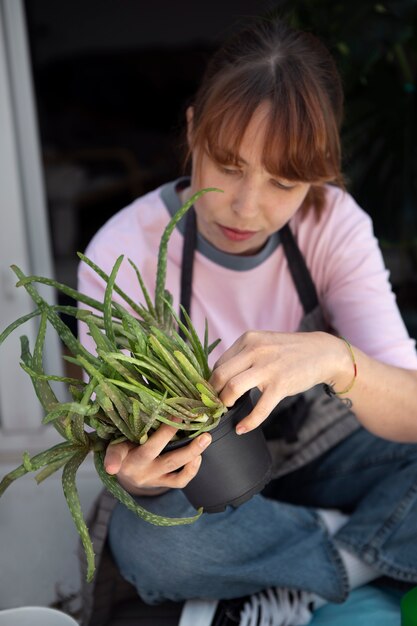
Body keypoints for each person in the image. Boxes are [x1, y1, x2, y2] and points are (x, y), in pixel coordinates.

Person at [77, 15, 417, 626]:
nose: (245, 207)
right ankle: (358, 549)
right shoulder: (121, 251)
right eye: (227, 166)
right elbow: (132, 464)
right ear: (192, 130)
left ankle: (290, 574)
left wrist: (341, 362)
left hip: (323, 455)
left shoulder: (332, 225)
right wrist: (146, 476)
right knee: (152, 546)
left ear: (317, 178)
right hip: (203, 489)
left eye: (284, 182)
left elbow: (411, 405)